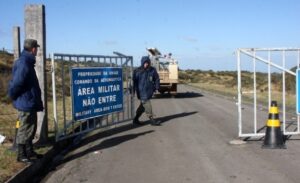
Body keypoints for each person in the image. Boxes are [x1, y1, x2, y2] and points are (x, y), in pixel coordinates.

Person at [8, 39, 44, 163]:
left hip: (28, 101)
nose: (37, 51)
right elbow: (17, 83)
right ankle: (21, 154)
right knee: (25, 128)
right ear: (33, 49)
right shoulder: (24, 63)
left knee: (30, 127)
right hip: (26, 101)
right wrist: (13, 95)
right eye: (36, 48)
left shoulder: (27, 61)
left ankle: (29, 151)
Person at [133, 56, 161, 126]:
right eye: (145, 63)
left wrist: (157, 87)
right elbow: (134, 82)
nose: (146, 64)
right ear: (142, 63)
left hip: (149, 91)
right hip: (141, 91)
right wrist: (133, 91)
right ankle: (152, 120)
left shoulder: (152, 70)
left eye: (147, 63)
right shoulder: (137, 71)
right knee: (147, 104)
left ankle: (135, 119)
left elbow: (157, 79)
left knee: (142, 106)